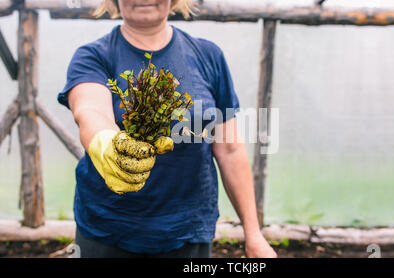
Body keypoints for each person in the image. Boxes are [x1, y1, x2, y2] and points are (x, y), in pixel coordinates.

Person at [57, 0, 277, 258]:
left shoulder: (208, 56)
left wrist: (253, 233)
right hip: (107, 230)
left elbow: (229, 149)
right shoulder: (94, 56)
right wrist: (107, 144)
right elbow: (90, 111)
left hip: (187, 232)